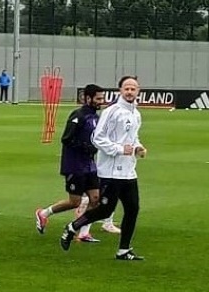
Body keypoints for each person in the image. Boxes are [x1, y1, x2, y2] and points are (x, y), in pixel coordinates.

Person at [61, 75, 147, 261]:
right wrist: (119, 149)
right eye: (127, 88)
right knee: (105, 210)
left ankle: (123, 250)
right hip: (110, 171)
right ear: (120, 91)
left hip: (129, 170)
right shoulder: (111, 111)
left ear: (138, 91)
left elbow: (132, 138)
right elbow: (97, 138)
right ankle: (72, 227)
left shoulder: (136, 114)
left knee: (133, 209)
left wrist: (138, 147)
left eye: (133, 88)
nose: (130, 91)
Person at [35, 84, 106, 242]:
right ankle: (44, 213)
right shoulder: (78, 115)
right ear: (88, 98)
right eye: (98, 98)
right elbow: (67, 138)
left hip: (89, 164)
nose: (101, 101)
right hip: (74, 164)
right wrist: (86, 147)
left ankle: (84, 232)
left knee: (95, 199)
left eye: (102, 98)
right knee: (75, 202)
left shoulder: (96, 117)